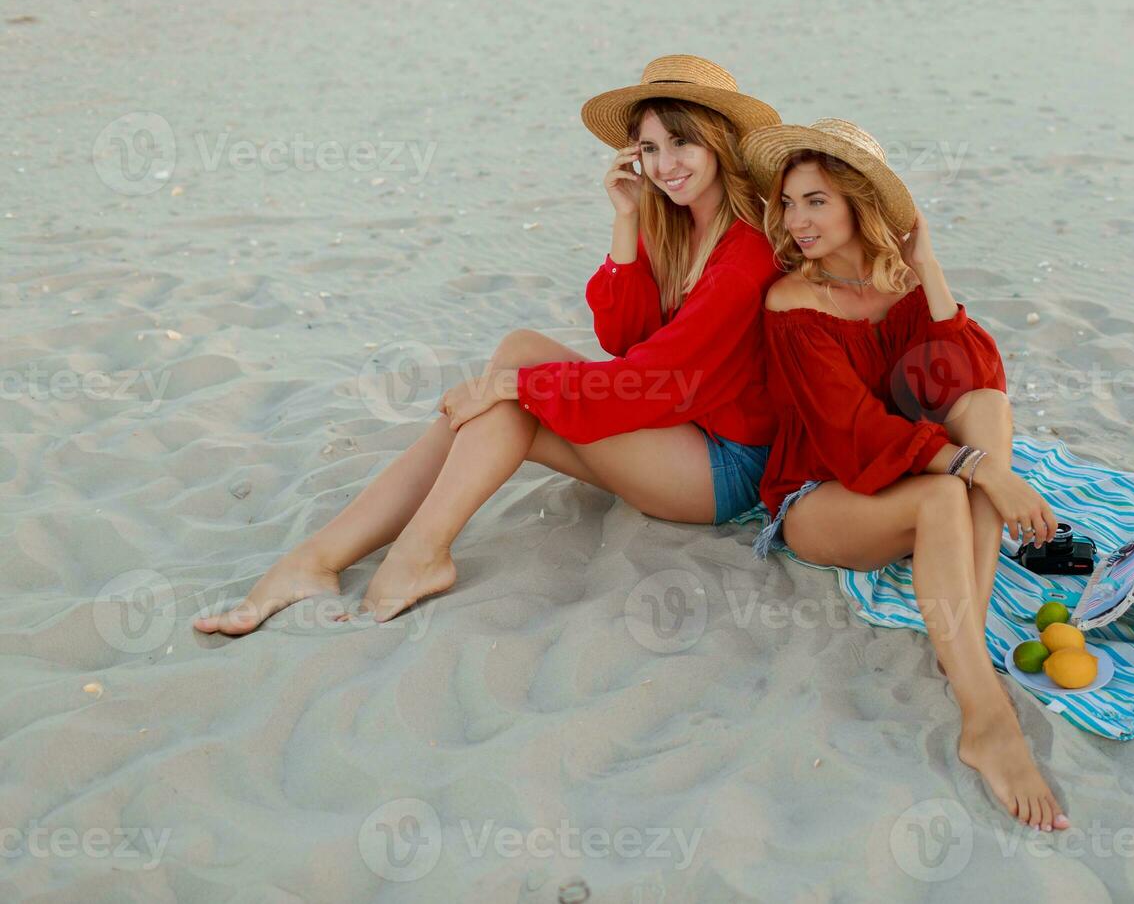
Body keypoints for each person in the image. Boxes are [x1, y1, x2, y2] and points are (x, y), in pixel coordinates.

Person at [195, 55, 782, 634]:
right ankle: (325, 561)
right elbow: (623, 337)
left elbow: (656, 378)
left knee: (506, 396)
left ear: (719, 144)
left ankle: (395, 556)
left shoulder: (743, 254)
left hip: (720, 465)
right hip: (679, 429)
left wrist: (511, 385)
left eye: (681, 143)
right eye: (649, 149)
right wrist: (627, 220)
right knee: (520, 351)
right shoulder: (682, 225)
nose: (664, 164)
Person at [742, 119, 1070, 832]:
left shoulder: (899, 286)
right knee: (949, 490)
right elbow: (850, 430)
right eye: (790, 203)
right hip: (821, 495)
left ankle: (964, 632)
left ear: (861, 202)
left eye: (817, 201)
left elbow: (971, 375)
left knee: (983, 406)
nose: (797, 220)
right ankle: (985, 713)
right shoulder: (791, 302)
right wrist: (986, 472)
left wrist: (930, 267)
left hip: (903, 476)